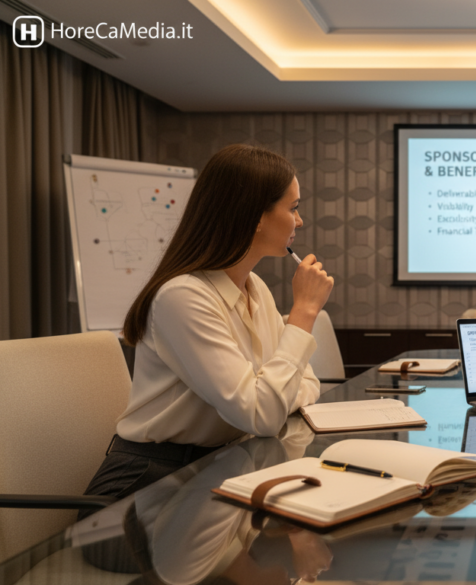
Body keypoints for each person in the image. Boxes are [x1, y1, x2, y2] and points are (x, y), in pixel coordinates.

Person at [82, 144, 334, 505]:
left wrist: (271, 396)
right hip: (147, 486)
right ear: (255, 216)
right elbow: (262, 415)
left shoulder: (255, 288)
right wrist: (304, 311)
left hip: (220, 467)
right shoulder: (183, 297)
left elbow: (305, 381)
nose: (300, 221)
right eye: (293, 208)